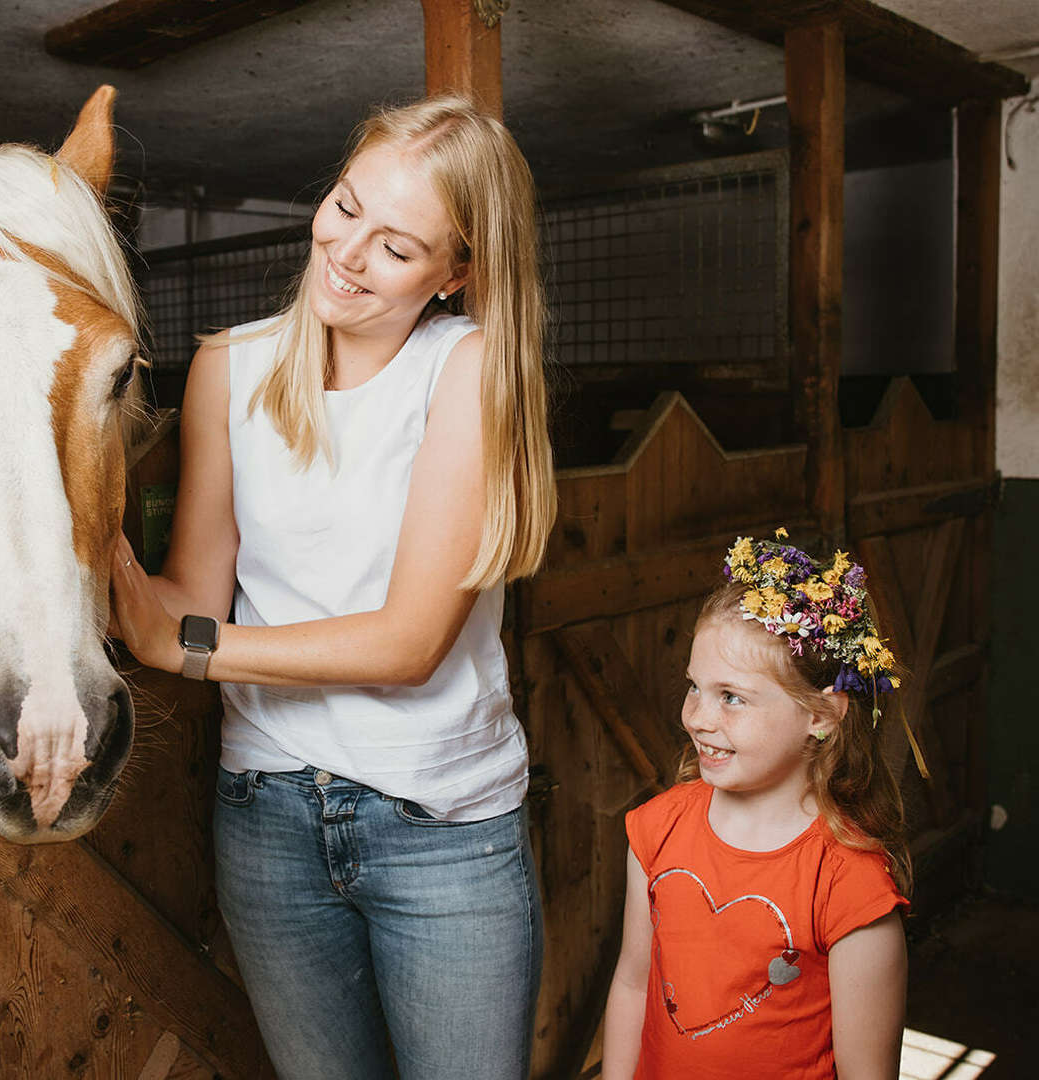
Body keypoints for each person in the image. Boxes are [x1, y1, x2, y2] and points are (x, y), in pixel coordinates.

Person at [109, 95, 556, 1079]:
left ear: (459, 272)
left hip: (440, 827)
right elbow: (192, 587)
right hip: (265, 813)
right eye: (346, 207)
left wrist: (187, 647)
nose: (347, 254)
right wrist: (84, 546)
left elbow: (407, 644)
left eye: (398, 247)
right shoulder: (230, 368)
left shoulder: (468, 369)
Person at [600, 531, 911, 1079]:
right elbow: (632, 981)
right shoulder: (656, 830)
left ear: (821, 715)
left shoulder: (848, 884)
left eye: (732, 697)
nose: (696, 716)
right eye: (694, 687)